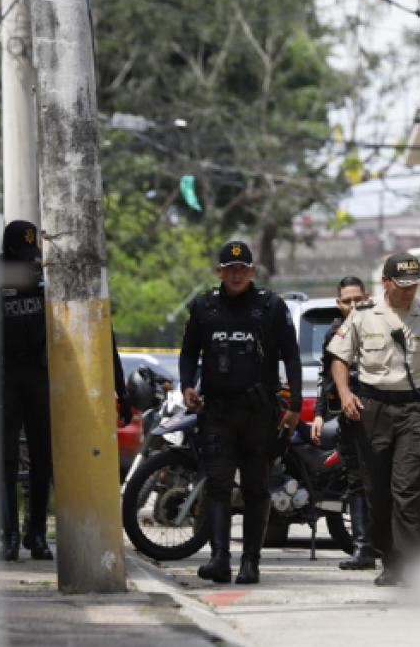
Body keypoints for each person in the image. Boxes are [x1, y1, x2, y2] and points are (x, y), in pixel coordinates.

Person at [326, 252, 420, 586]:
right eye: (402, 285)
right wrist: (345, 394)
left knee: (407, 488)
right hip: (372, 410)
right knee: (377, 491)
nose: (409, 291)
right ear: (385, 283)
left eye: (414, 285)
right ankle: (389, 561)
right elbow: (339, 358)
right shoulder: (363, 314)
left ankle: (411, 562)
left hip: (414, 410)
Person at [179, 241, 302, 585]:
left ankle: (251, 562)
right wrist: (186, 385)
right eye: (230, 269)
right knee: (218, 485)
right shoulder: (204, 306)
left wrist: (294, 406)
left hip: (258, 415)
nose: (236, 275)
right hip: (217, 413)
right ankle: (219, 559)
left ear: (252, 271)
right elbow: (188, 352)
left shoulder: (271, 306)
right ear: (219, 271)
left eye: (242, 269)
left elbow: (291, 356)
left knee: (255, 489)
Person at [0, 221, 54, 562]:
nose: (29, 259)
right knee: (5, 460)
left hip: (37, 373)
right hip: (4, 374)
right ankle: (10, 537)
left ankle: (37, 533)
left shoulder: (42, 277)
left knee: (42, 458)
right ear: (9, 249)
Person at [309, 277, 374, 570]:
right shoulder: (334, 334)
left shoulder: (381, 326)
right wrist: (319, 413)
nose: (353, 305)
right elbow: (326, 376)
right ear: (339, 304)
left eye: (358, 299)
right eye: (347, 301)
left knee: (384, 481)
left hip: (381, 414)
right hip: (350, 417)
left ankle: (392, 547)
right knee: (356, 480)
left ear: (367, 297)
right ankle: (363, 549)